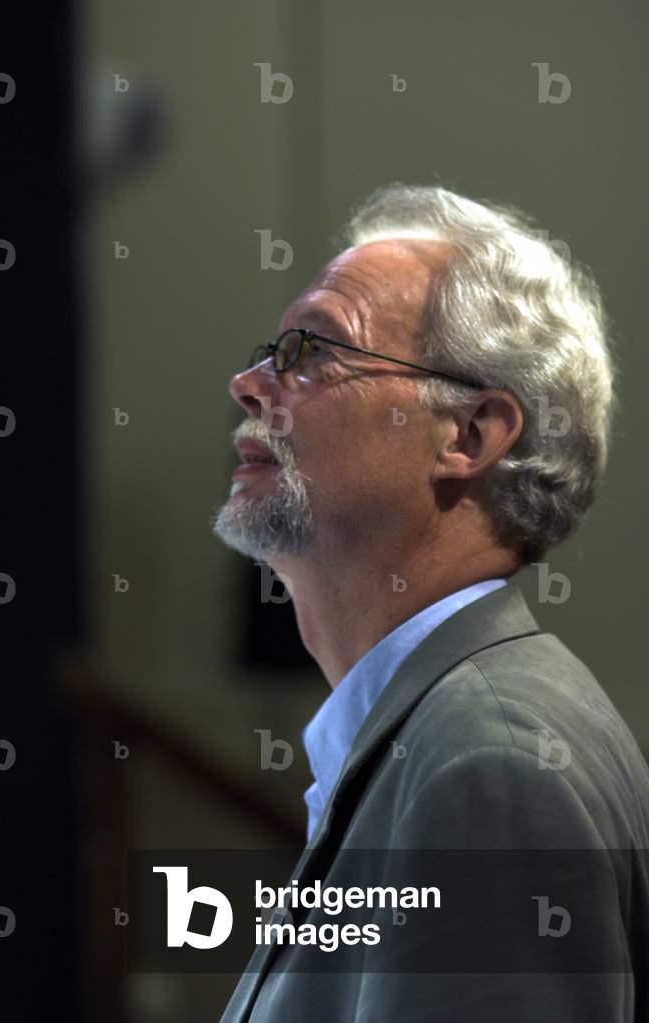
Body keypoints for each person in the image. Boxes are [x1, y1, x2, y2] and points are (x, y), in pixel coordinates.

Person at [212, 184, 649, 1021]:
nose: (249, 382)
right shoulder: (440, 733)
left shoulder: (493, 763)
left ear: (469, 435)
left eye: (313, 350)